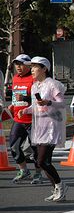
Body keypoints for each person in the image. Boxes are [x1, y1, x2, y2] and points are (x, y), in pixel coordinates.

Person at [18, 57, 68, 202]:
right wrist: (25, 110)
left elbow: (61, 104)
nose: (32, 70)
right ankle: (56, 189)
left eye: (34, 67)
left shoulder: (53, 85)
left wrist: (48, 101)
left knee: (41, 161)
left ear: (44, 69)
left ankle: (60, 185)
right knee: (44, 161)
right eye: (31, 67)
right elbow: (36, 106)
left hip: (52, 127)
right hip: (39, 126)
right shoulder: (35, 86)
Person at [8, 54, 43, 184]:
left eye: (21, 64)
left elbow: (39, 98)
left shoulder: (34, 78)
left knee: (36, 149)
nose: (18, 67)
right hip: (19, 119)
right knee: (13, 146)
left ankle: (38, 173)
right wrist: (13, 105)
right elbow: (15, 96)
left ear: (29, 65)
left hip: (33, 119)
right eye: (16, 64)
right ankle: (24, 170)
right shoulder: (15, 78)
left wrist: (24, 99)